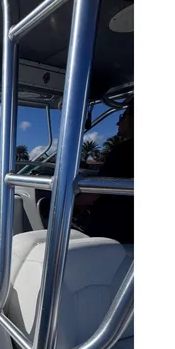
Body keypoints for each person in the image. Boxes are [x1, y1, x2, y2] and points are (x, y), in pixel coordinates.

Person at [72, 99, 134, 243]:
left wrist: (70, 203)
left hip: (113, 234)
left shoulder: (123, 152)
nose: (118, 123)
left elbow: (95, 193)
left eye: (122, 117)